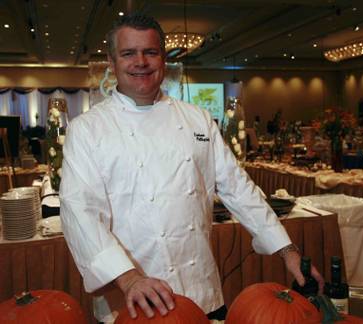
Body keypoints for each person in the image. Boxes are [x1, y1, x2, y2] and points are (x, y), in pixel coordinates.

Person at [60, 13, 324, 321]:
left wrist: (287, 250)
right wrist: (129, 279)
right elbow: (80, 211)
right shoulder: (88, 129)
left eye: (150, 52)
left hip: (202, 292)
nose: (141, 62)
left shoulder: (197, 119)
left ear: (164, 58)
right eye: (128, 53)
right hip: (132, 299)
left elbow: (238, 188)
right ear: (111, 61)